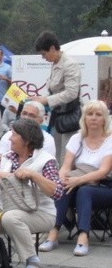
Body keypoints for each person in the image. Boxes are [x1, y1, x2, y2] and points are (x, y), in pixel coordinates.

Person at [0, 118, 63, 268]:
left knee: (11, 217)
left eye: (14, 134)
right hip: (8, 213)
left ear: (26, 139)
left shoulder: (45, 160)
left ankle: (33, 262)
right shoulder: (8, 157)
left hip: (41, 215)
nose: (10, 138)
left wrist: (33, 175)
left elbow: (57, 192)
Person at [39, 100, 112, 257]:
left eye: (98, 114)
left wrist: (77, 180)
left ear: (105, 119)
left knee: (84, 191)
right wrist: (61, 178)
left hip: (104, 187)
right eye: (89, 114)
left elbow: (103, 171)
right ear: (84, 118)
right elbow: (66, 166)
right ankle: (54, 231)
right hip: (76, 184)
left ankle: (83, 236)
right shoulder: (76, 139)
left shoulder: (110, 140)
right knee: (65, 186)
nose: (93, 118)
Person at [33, 30, 82, 163]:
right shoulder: (55, 63)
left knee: (66, 156)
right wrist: (41, 98)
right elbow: (54, 89)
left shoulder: (70, 64)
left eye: (44, 54)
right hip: (58, 115)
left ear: (53, 48)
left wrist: (47, 100)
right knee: (54, 152)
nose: (43, 58)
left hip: (69, 116)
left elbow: (71, 93)